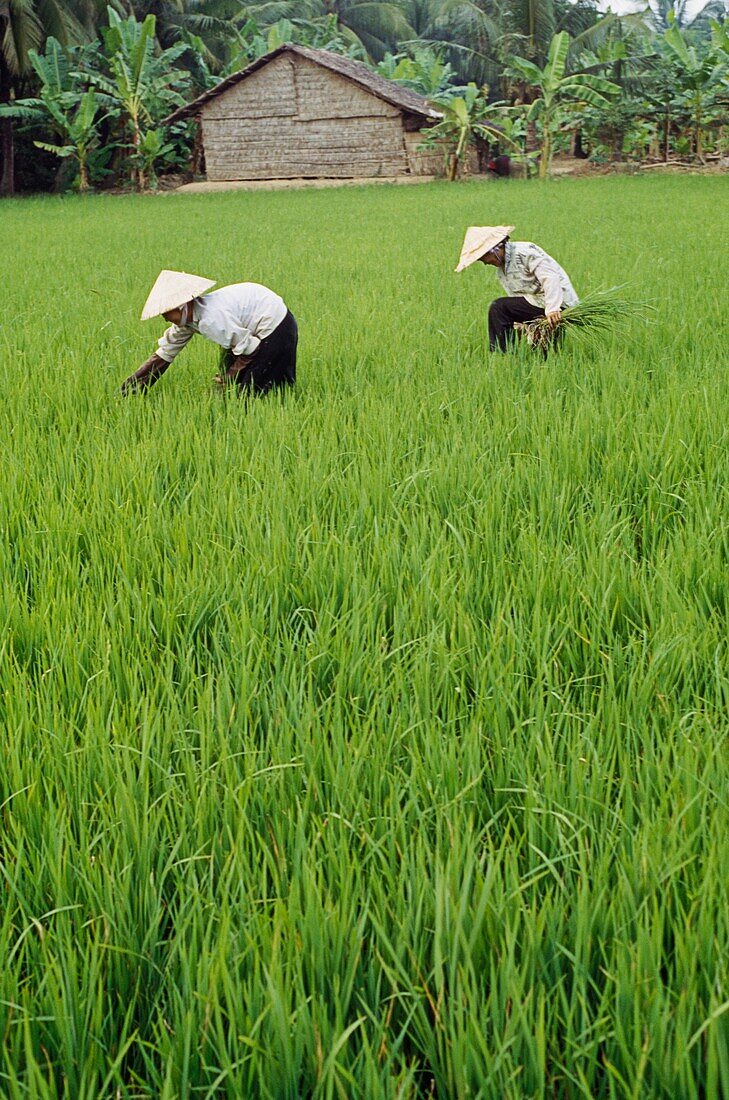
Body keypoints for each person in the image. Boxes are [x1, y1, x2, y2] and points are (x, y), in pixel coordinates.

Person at [121, 270, 298, 395]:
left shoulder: (211, 319)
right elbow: (166, 353)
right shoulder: (188, 320)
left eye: (168, 313)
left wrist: (228, 377)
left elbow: (250, 348)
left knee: (252, 391)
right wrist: (130, 389)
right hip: (249, 329)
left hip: (276, 326)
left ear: (182, 306)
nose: (166, 319)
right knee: (236, 384)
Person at [455, 226, 578, 352]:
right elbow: (517, 297)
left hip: (557, 303)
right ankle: (510, 358)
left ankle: (502, 355)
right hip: (537, 303)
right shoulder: (502, 271)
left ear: (494, 249)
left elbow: (550, 278)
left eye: (484, 258)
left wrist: (552, 309)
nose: (485, 263)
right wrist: (520, 324)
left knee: (498, 308)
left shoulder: (525, 252)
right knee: (541, 352)